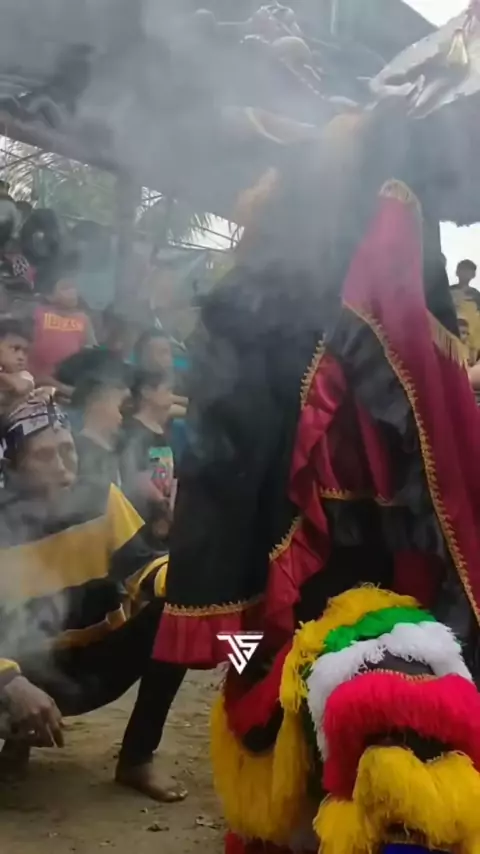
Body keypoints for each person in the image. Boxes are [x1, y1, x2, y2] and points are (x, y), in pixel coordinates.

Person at [0, 398, 186, 802]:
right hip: (23, 678)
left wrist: (185, 579)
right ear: (12, 466)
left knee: (177, 612)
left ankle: (137, 758)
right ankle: (16, 738)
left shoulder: (101, 498)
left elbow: (144, 564)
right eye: (44, 456)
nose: (63, 466)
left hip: (96, 663)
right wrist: (10, 681)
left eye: (67, 450)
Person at [26, 253, 97, 400]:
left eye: (74, 287)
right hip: (36, 382)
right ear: (50, 294)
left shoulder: (83, 318)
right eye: (65, 288)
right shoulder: (36, 314)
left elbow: (92, 351)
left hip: (69, 384)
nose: (73, 292)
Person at [120, 369, 175, 546]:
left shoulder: (161, 431)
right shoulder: (132, 429)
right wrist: (161, 505)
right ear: (147, 392)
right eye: (167, 390)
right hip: (141, 516)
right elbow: (134, 475)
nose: (171, 396)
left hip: (162, 516)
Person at [74, 360, 132, 489]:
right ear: (96, 404)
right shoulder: (81, 452)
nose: (121, 416)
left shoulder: (112, 452)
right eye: (119, 408)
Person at [450, 259, 480, 363]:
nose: (465, 273)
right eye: (463, 270)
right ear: (457, 272)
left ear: (473, 275)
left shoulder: (476, 295)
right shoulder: (448, 291)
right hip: (451, 333)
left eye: (469, 271)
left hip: (471, 338)